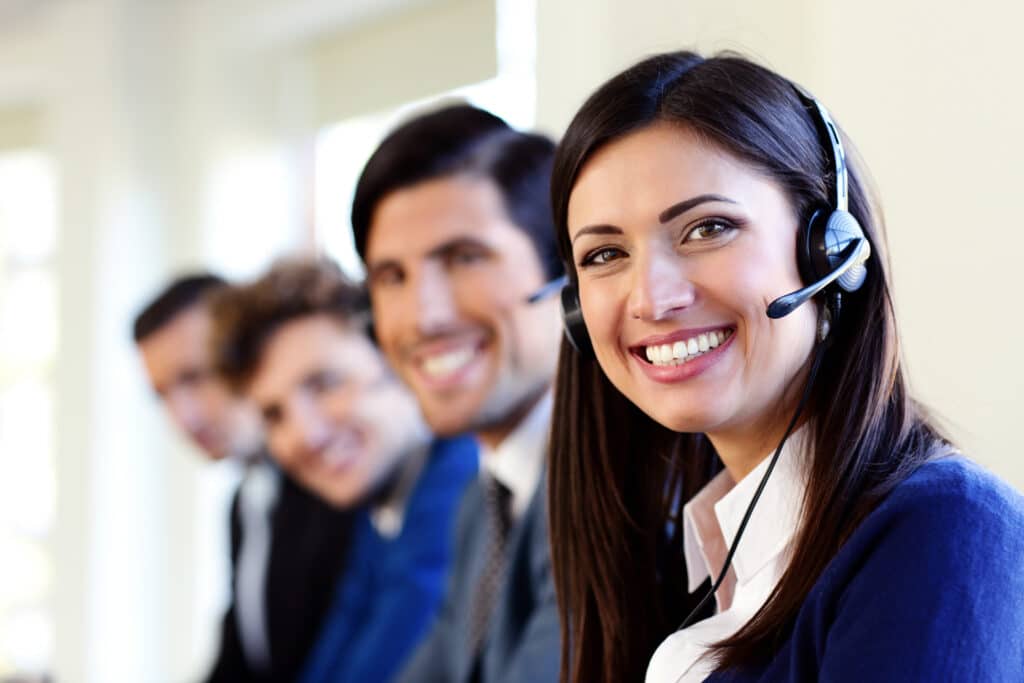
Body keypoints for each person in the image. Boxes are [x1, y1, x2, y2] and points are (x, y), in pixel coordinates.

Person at [546, 50, 1024, 683]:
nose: (653, 299)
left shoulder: (942, 530)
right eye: (605, 253)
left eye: (707, 227)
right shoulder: (686, 569)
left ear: (829, 247)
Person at [351, 104, 563, 682]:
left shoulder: (608, 486)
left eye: (465, 258)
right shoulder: (482, 498)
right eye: (392, 277)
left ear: (564, 272)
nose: (424, 316)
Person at [208, 257, 477, 683]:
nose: (305, 436)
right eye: (275, 415)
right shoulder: (381, 511)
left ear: (392, 354)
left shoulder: (464, 482)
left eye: (325, 384)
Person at [133, 273, 352, 683]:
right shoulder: (245, 503)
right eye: (162, 394)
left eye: (194, 377)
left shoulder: (336, 484)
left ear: (245, 358)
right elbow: (238, 663)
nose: (184, 417)